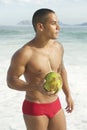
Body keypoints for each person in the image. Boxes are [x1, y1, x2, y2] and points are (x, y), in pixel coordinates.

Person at [7, 8, 74, 130]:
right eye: (53, 23)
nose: (58, 27)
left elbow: (62, 70)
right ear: (40, 27)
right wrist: (34, 86)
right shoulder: (25, 53)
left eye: (58, 23)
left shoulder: (58, 47)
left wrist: (68, 94)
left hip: (55, 104)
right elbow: (11, 81)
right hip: (35, 107)